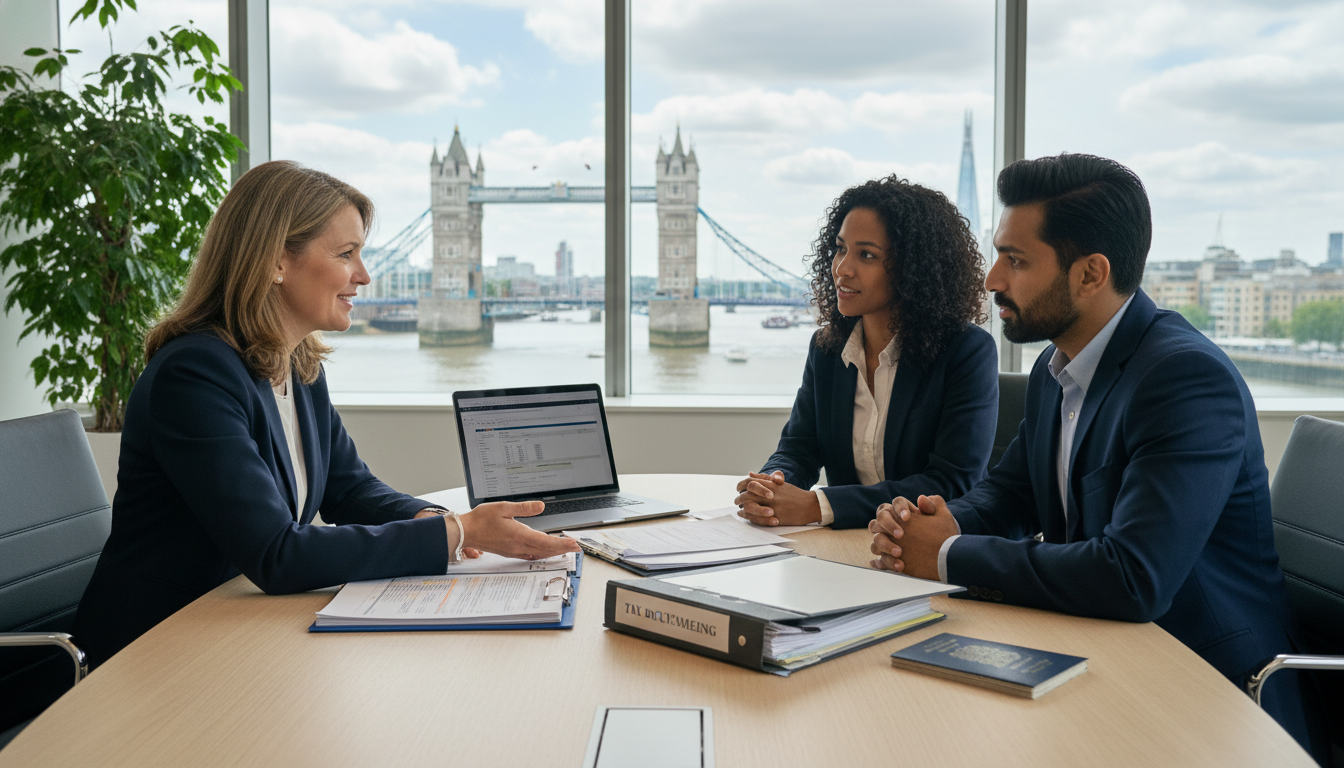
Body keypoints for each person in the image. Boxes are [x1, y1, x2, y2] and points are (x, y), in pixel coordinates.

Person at [867, 153, 1322, 758]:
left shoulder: (1184, 378)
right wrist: (935, 526)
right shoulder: (1057, 368)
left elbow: (1133, 577)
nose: (992, 278)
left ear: (1090, 273)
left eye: (1017, 259)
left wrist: (948, 555)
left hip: (1208, 693)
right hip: (1105, 654)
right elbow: (1012, 493)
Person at [73, 161, 578, 668]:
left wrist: (438, 520)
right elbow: (276, 554)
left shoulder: (297, 363)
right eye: (345, 254)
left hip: (235, 634)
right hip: (148, 654)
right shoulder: (195, 375)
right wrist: (457, 533)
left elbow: (349, 490)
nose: (364, 275)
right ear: (276, 261)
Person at [734, 176, 998, 529]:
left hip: (928, 553)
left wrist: (819, 506)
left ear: (913, 268)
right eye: (841, 248)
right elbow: (798, 448)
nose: (842, 269)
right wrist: (770, 487)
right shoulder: (827, 349)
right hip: (842, 548)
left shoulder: (967, 351)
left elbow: (950, 484)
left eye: (867, 255)